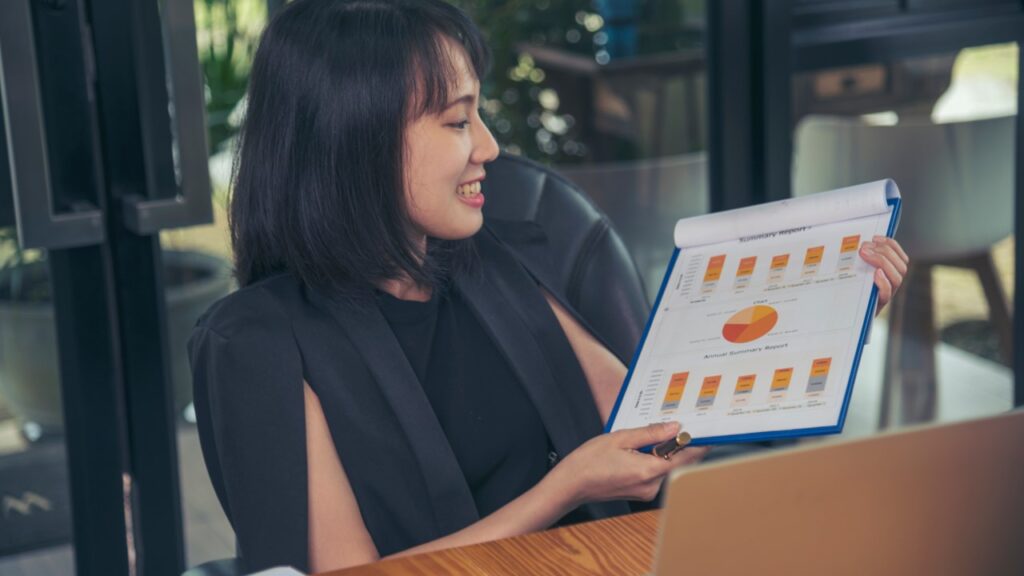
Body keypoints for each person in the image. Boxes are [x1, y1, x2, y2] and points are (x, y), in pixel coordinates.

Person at [187, 0, 910, 573]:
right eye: (457, 121)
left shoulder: (485, 262)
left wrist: (828, 312)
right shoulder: (254, 344)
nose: (490, 149)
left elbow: (660, 433)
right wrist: (563, 487)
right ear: (358, 140)